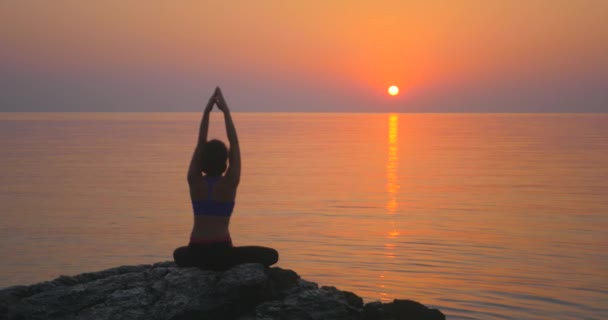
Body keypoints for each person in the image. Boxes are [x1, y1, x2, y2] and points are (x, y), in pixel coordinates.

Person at [173, 87, 278, 270]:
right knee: (272, 255)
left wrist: (207, 111)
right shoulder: (229, 183)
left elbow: (200, 144)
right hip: (222, 252)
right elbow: (234, 143)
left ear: (203, 161)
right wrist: (226, 111)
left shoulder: (194, 181)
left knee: (178, 254)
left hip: (195, 252)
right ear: (225, 162)